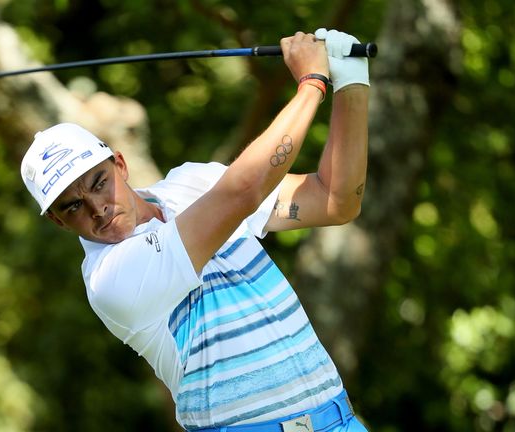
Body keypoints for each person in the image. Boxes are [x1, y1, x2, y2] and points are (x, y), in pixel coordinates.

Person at [20, 28, 370, 432]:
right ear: (57, 220)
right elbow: (242, 191)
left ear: (120, 164)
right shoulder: (111, 278)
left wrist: (351, 83)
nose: (97, 208)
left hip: (339, 419)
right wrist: (313, 84)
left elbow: (335, 200)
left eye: (99, 182)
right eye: (73, 205)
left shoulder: (193, 183)